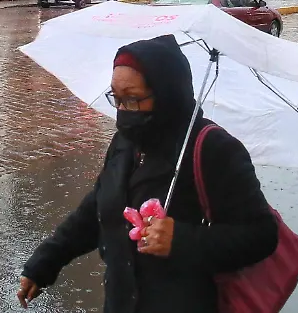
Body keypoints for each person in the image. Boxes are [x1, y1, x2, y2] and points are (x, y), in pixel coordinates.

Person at [18, 35, 278, 312]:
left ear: (166, 93)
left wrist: (183, 241)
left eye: (132, 100)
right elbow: (99, 205)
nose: (122, 111)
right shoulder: (125, 141)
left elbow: (261, 235)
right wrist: (46, 261)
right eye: (115, 99)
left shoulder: (214, 149)